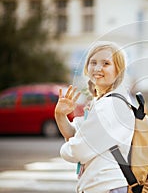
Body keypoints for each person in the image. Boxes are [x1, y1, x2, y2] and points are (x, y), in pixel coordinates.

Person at [54, 41, 135, 193]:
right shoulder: (104, 101)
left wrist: (66, 149)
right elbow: (75, 134)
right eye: (93, 62)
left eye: (106, 63)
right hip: (106, 185)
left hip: (106, 186)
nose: (98, 68)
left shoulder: (109, 106)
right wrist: (60, 115)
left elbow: (78, 150)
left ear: (118, 70)